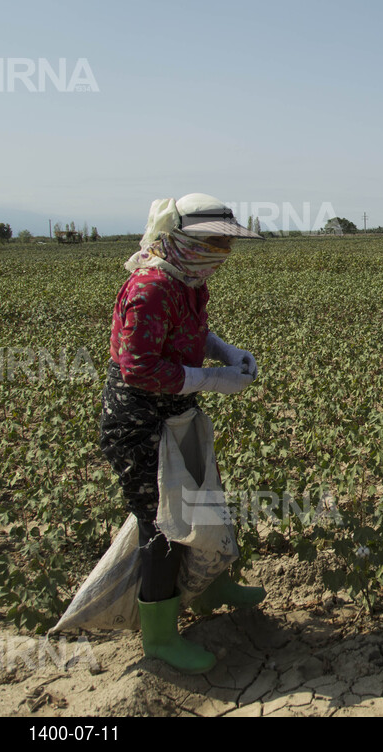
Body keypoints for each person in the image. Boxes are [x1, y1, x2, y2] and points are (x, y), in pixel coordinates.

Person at [99, 193, 263, 674]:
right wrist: (213, 379)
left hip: (177, 410)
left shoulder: (189, 281)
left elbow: (193, 332)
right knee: (165, 525)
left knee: (203, 499)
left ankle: (210, 586)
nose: (223, 253)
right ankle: (161, 637)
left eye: (225, 243)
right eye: (214, 241)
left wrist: (224, 352)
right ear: (183, 238)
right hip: (140, 422)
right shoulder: (149, 288)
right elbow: (139, 369)